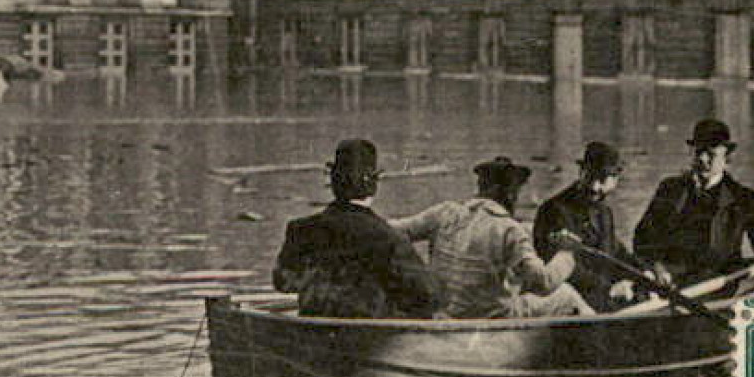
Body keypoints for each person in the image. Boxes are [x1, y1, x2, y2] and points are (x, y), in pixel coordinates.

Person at [392, 156, 593, 319]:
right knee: (565, 295)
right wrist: (567, 253)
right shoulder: (509, 230)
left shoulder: (445, 213)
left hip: (446, 311)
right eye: (515, 192)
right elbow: (544, 283)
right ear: (510, 195)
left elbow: (396, 230)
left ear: (480, 188)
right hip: (490, 316)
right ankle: (599, 343)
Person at [632, 119, 754, 300]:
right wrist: (657, 268)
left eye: (711, 154)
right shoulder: (670, 189)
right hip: (671, 282)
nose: (702, 159)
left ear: (727, 160)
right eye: (699, 152)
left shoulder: (744, 199)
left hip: (719, 284)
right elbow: (643, 239)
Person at [273, 139, 441, 319]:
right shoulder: (388, 238)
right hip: (367, 336)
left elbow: (283, 283)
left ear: (333, 182)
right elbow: (428, 296)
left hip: (311, 329)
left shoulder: (301, 229)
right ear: (373, 184)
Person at [532, 141, 646, 313]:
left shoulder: (605, 212)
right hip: (571, 300)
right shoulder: (555, 210)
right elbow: (561, 268)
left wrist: (644, 272)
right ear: (581, 172)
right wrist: (609, 289)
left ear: (615, 180)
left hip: (602, 296)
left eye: (601, 179)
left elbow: (615, 252)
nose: (594, 187)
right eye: (590, 177)